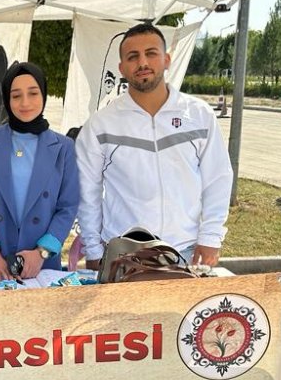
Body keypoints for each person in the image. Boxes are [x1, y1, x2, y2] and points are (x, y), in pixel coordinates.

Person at [76, 22, 233, 269]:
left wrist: (211, 236)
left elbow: (218, 178)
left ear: (167, 59)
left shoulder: (199, 115)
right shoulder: (101, 125)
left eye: (151, 53)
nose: (142, 63)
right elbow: (87, 193)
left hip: (186, 251)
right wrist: (94, 249)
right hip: (123, 255)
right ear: (121, 67)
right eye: (133, 56)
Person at [0, 62, 79, 281]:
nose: (25, 103)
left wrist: (41, 253)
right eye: (16, 95)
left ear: (44, 95)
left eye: (33, 93)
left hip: (42, 265)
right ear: (7, 100)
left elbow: (68, 207)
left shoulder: (64, 147)